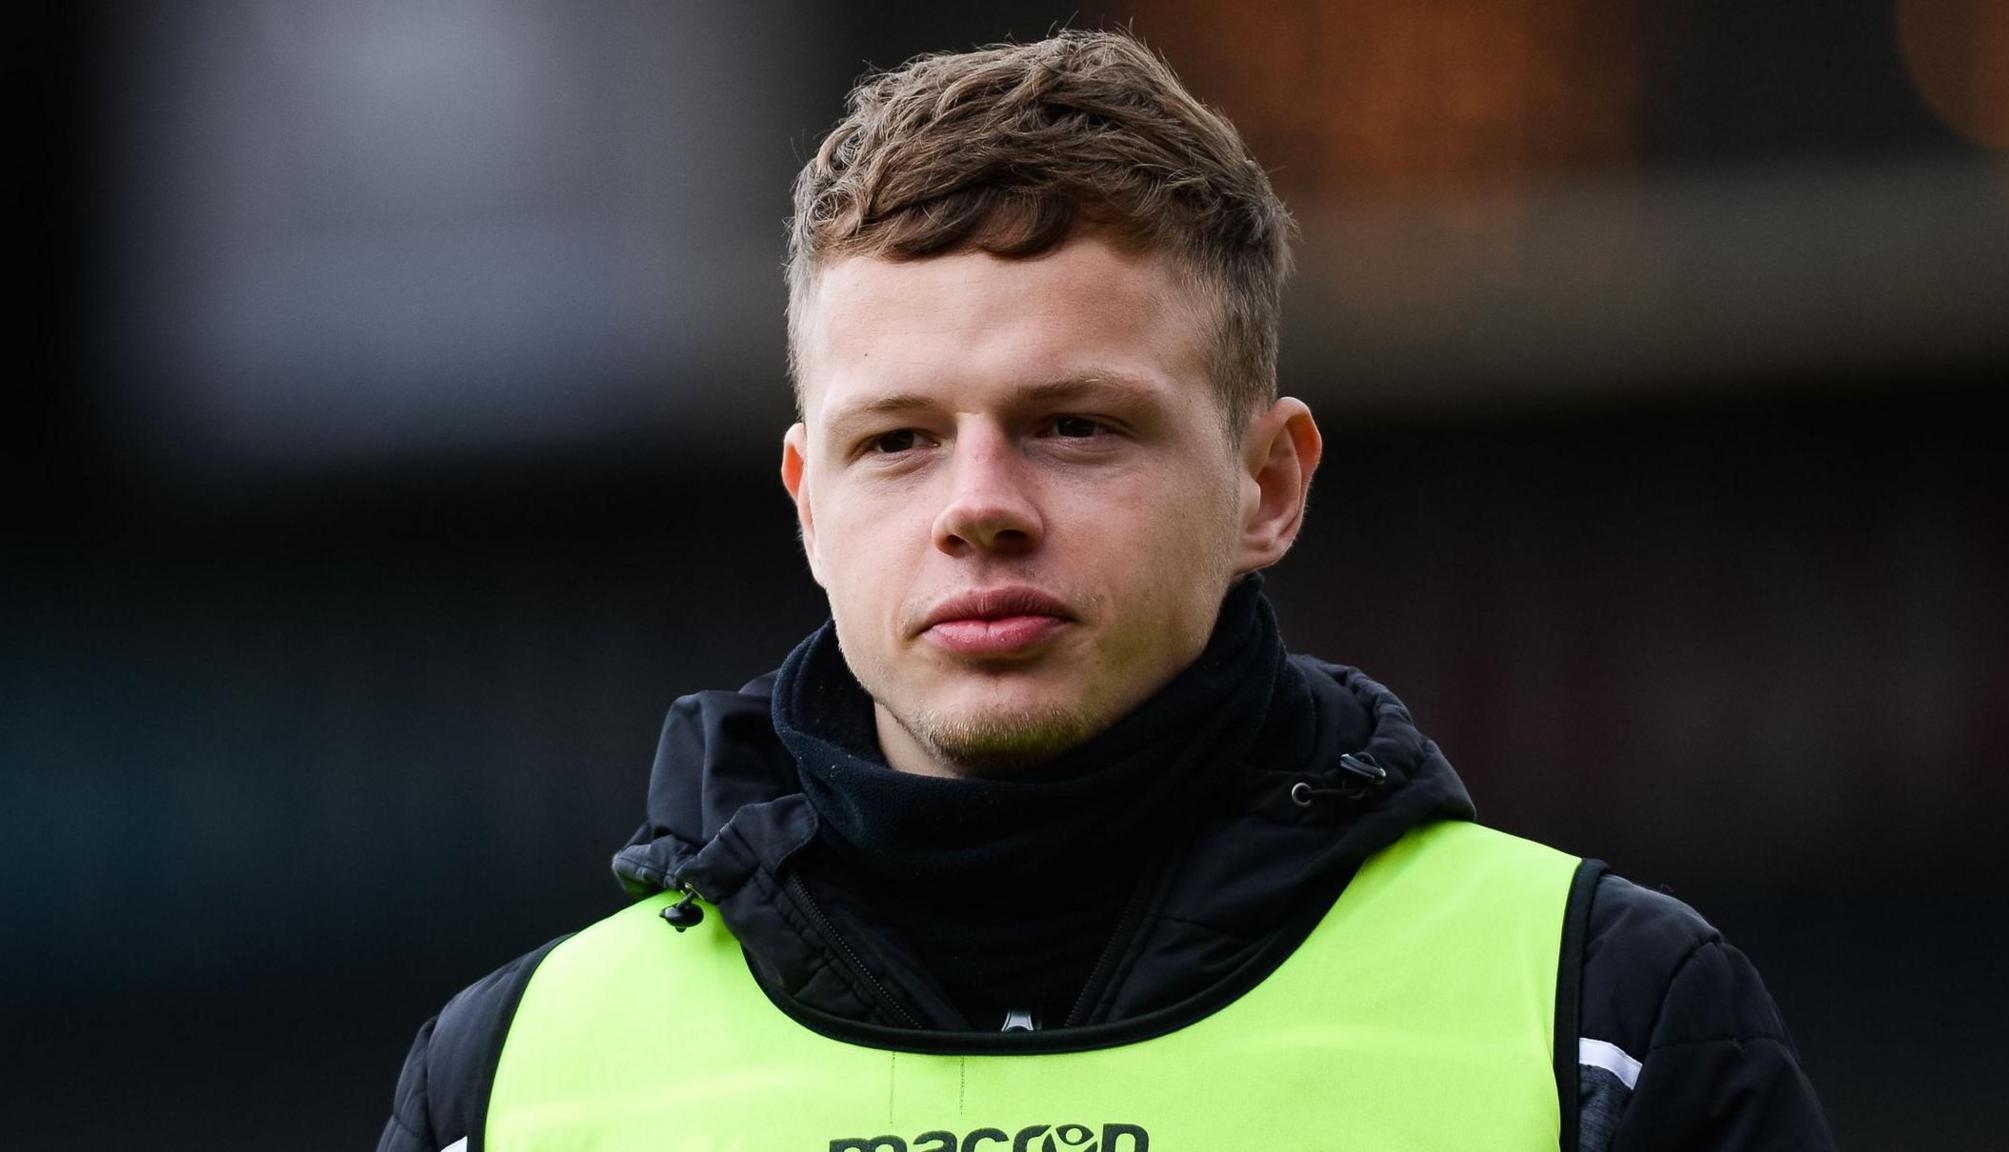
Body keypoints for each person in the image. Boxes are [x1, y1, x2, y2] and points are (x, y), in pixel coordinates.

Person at [378, 31, 1832, 1152]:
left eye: (1075, 425)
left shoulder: (1609, 1022)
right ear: (808, 506)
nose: (980, 510)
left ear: (1270, 483)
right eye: (898, 442)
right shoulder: (506, 1089)